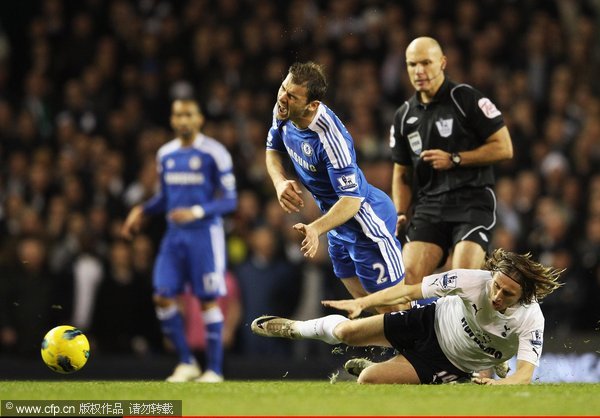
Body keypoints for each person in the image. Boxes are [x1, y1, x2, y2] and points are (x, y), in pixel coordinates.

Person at [251, 249, 563, 385]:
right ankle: (295, 328)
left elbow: (523, 375)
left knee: (368, 380)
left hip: (449, 363)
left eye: (507, 294)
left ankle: (468, 375)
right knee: (347, 333)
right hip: (429, 322)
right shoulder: (471, 280)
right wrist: (365, 302)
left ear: (524, 296)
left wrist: (503, 385)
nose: (496, 296)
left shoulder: (531, 318)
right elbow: (408, 292)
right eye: (496, 286)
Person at [266, 61, 407, 310]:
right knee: (364, 303)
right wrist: (279, 182)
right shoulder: (285, 110)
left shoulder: (330, 139)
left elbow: (352, 200)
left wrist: (315, 229)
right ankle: (394, 346)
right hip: (337, 223)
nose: (283, 98)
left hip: (366, 223)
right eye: (283, 88)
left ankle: (438, 335)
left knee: (394, 308)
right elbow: (273, 149)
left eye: (292, 96)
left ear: (313, 105)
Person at [121, 99, 237, 382]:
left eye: (188, 114)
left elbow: (230, 200)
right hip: (174, 237)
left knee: (207, 300)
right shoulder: (165, 154)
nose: (183, 120)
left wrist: (196, 211)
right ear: (172, 121)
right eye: (178, 115)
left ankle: (215, 370)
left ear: (199, 119)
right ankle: (186, 362)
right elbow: (165, 198)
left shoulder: (215, 153)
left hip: (205, 235)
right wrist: (142, 210)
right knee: (162, 294)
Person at [390, 37, 514, 286]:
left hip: (472, 201)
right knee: (406, 281)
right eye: (412, 64)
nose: (419, 71)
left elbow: (504, 147)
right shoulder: (403, 116)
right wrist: (401, 212)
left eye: (426, 63)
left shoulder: (465, 98)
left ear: (442, 63)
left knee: (461, 283)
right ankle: (422, 326)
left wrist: (455, 159)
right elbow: (402, 172)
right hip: (430, 207)